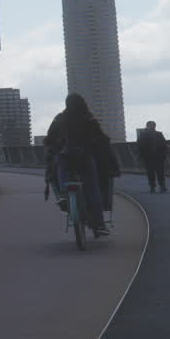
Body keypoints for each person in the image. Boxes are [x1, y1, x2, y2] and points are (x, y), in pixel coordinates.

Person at [45, 94, 110, 238]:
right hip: (84, 156)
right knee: (93, 189)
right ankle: (100, 224)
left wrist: (54, 146)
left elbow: (49, 138)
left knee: (62, 171)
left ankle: (63, 194)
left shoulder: (59, 118)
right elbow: (101, 138)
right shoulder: (89, 118)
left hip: (65, 156)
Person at [138, 120, 169, 193]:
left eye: (153, 125)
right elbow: (140, 146)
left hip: (158, 156)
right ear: (147, 126)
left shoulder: (158, 134)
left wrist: (164, 154)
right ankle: (153, 186)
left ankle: (161, 186)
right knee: (151, 172)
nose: (152, 127)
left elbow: (164, 144)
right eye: (151, 125)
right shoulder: (143, 135)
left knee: (159, 172)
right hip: (149, 156)